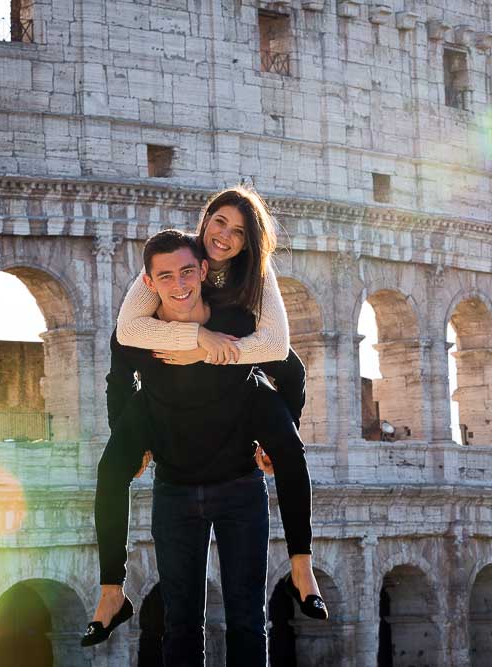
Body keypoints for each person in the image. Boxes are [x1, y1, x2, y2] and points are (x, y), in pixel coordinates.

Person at [83, 230, 320, 665]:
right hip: (174, 488)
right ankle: (112, 592)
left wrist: (281, 429)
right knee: (182, 624)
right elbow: (118, 381)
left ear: (204, 270)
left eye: (188, 271)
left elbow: (292, 369)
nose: (179, 285)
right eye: (166, 276)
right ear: (149, 283)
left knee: (248, 619)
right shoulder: (136, 333)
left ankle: (302, 567)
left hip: (239, 486)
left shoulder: (237, 323)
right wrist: (129, 441)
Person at [115, 186, 324, 601]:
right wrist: (195, 334)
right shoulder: (180, 256)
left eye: (240, 232)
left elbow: (276, 347)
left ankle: (302, 565)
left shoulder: (256, 273)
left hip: (250, 363)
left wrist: (202, 351)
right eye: (220, 222)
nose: (225, 236)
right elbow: (128, 330)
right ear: (206, 219)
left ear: (250, 242)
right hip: (213, 373)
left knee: (289, 434)